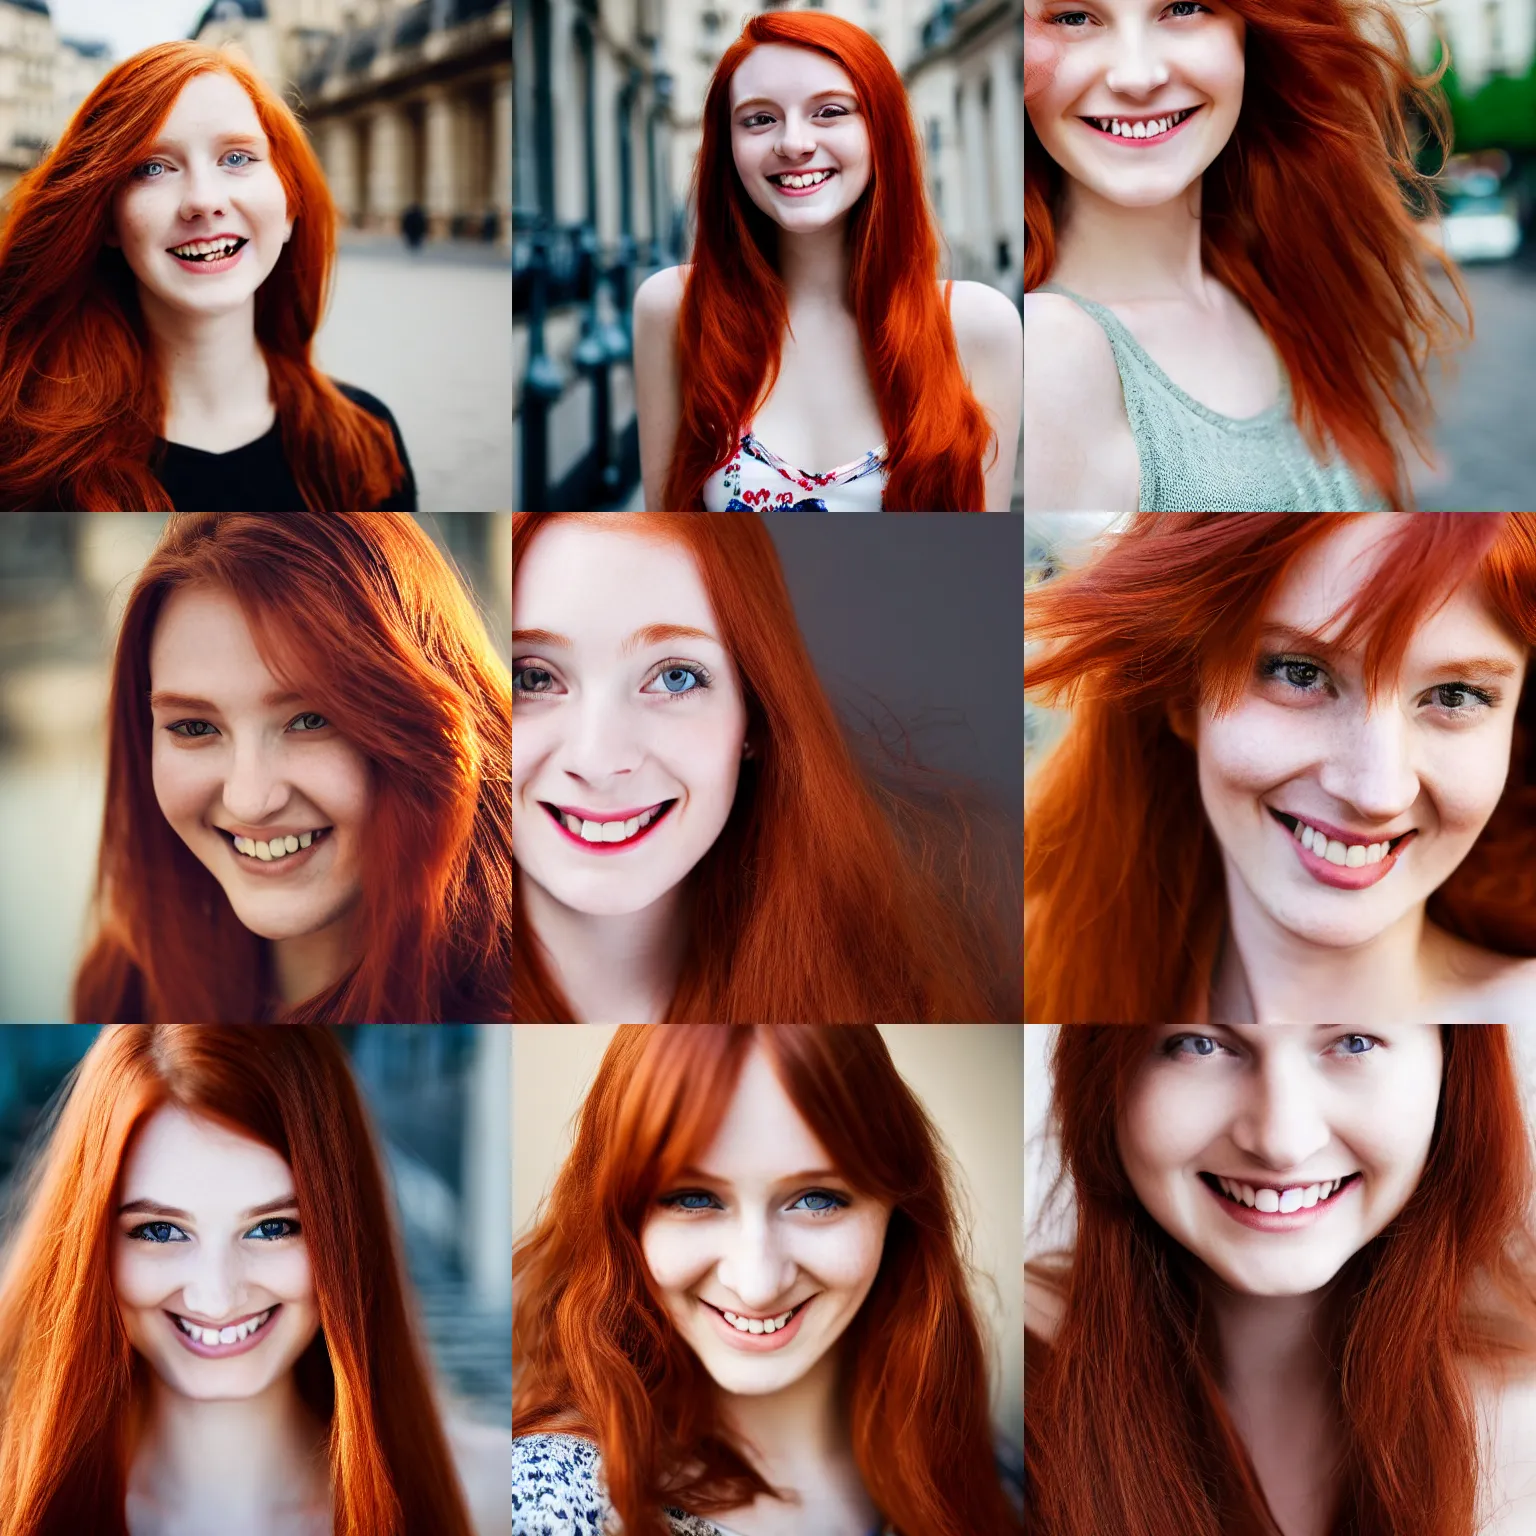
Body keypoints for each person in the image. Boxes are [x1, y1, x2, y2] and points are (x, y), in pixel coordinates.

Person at [1025, 1022, 1536, 1536]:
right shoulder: (1003, 1380)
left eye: (1353, 1041)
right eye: (1198, 1043)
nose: (1281, 1142)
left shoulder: (1522, 1423)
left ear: (1453, 1064)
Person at [512, 1023, 1024, 1536]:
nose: (757, 1285)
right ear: (620, 1217)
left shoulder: (982, 1467)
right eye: (693, 1198)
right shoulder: (551, 1504)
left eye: (817, 1199)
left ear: (898, 1209)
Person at [1023, 512, 1536, 1023]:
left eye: (1455, 695)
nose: (1377, 792)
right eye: (1300, 673)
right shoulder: (1021, 986)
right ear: (1184, 696)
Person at [0, 1024, 508, 1536]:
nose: (216, 1296)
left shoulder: (490, 1497)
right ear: (91, 1244)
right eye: (159, 1230)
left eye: (272, 1228)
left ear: (347, 1236)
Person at [512, 512, 1019, 1024]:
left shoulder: (926, 993)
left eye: (676, 678)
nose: (599, 761)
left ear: (754, 714)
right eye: (532, 678)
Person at [1023, 0, 1470, 512]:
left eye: (1184, 7)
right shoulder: (1049, 350)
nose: (1138, 75)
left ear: (1249, 32)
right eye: (1073, 18)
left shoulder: (1283, 290)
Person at [73, 513, 513, 1025]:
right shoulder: (121, 990)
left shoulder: (515, 999)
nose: (249, 800)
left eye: (310, 720)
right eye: (194, 727)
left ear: (419, 726)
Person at [0, 42, 416, 512]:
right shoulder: (24, 455)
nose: (203, 199)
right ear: (110, 220)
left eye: (236, 158)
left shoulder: (366, 440)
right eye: (153, 168)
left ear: (289, 205)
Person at [633, 11, 1022, 512]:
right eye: (759, 119)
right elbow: (671, 538)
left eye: (830, 112)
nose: (794, 142)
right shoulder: (673, 309)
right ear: (727, 147)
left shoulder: (976, 324)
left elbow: (981, 562)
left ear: (880, 130)